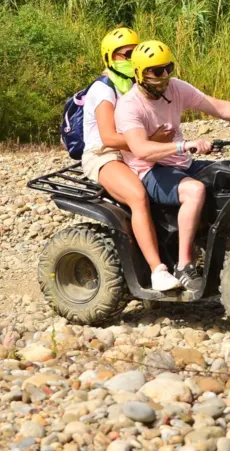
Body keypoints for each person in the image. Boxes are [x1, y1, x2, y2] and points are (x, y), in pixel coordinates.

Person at [115, 40, 230, 292]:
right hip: (150, 170)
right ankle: (184, 265)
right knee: (194, 191)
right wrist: (183, 145)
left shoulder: (175, 89)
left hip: (181, 163)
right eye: (156, 71)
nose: (164, 75)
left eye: (168, 67)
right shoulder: (129, 106)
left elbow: (218, 106)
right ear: (140, 73)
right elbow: (141, 150)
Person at [81, 28, 181, 291]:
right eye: (125, 53)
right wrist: (151, 140)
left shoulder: (137, 85)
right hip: (105, 154)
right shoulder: (103, 89)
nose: (131, 57)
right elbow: (109, 137)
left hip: (137, 150)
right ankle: (157, 270)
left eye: (134, 52)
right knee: (137, 195)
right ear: (110, 58)